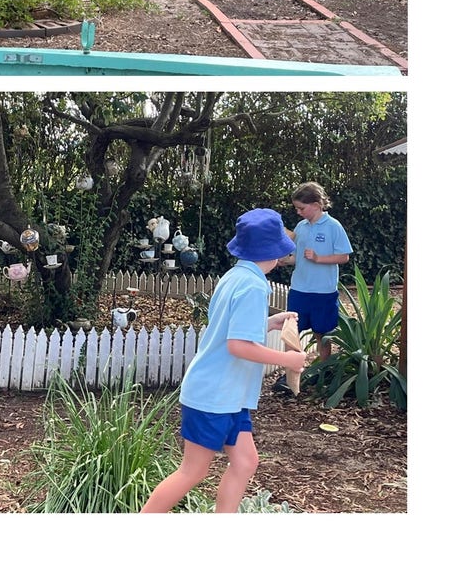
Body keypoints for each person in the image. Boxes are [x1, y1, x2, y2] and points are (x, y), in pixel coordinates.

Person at [140, 208, 306, 514]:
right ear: (272, 251)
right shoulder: (255, 285)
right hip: (214, 395)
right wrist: (287, 359)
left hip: (228, 395)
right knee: (193, 472)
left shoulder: (236, 276)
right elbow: (238, 345)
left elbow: (229, 327)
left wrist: (269, 322)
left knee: (245, 462)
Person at [278, 181, 353, 362]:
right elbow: (296, 257)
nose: (298, 212)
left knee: (323, 334)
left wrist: (319, 258)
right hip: (299, 290)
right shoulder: (300, 227)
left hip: (323, 292)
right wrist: (283, 261)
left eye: (301, 208)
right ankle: (292, 371)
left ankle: (323, 370)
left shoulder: (334, 226)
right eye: (297, 208)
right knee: (292, 332)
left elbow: (344, 257)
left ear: (317, 205)